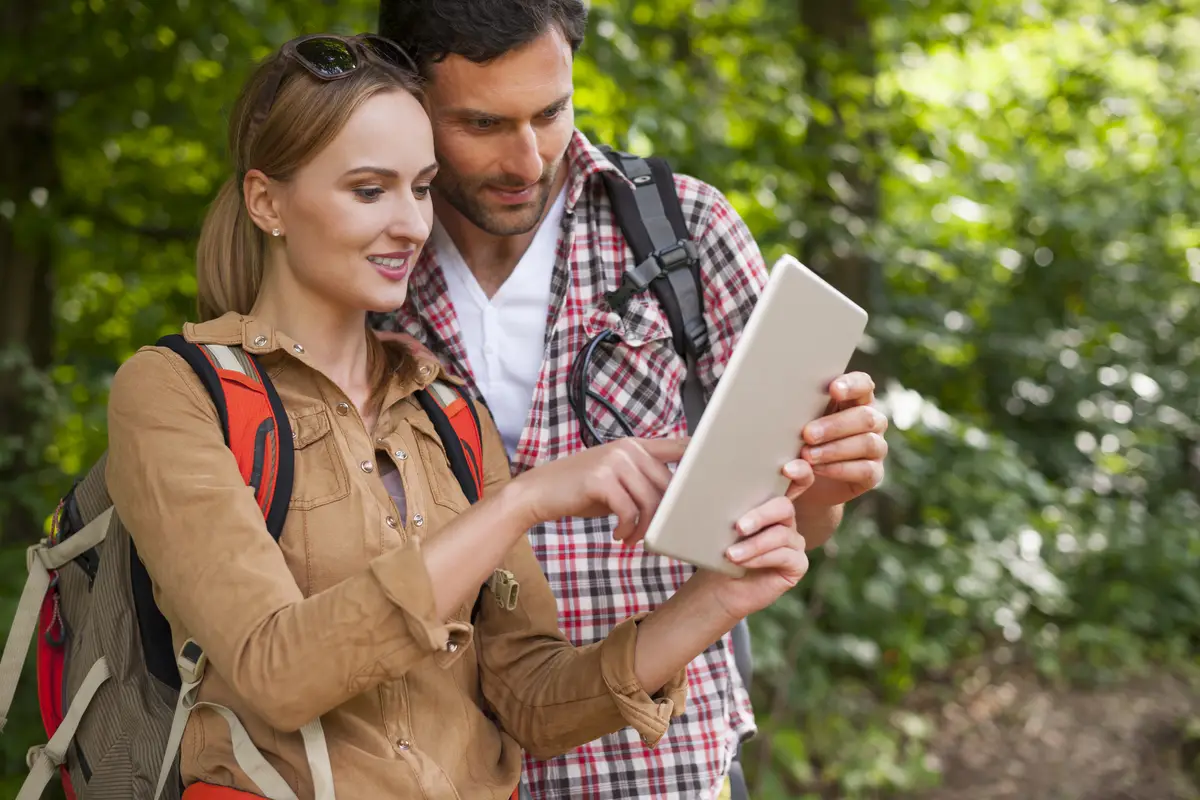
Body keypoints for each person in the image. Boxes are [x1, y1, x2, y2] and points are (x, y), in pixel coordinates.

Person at [103, 33, 816, 800]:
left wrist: (721, 596)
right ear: (266, 201)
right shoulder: (176, 392)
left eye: (421, 188)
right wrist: (524, 500)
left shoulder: (448, 413)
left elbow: (531, 701)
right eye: (370, 190)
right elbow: (276, 672)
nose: (411, 223)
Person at [373, 2, 890, 799]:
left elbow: (795, 527)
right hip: (428, 768)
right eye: (481, 123)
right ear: (407, 96)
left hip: (656, 763)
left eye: (550, 112)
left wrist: (828, 477)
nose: (526, 158)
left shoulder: (684, 233)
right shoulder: (363, 261)